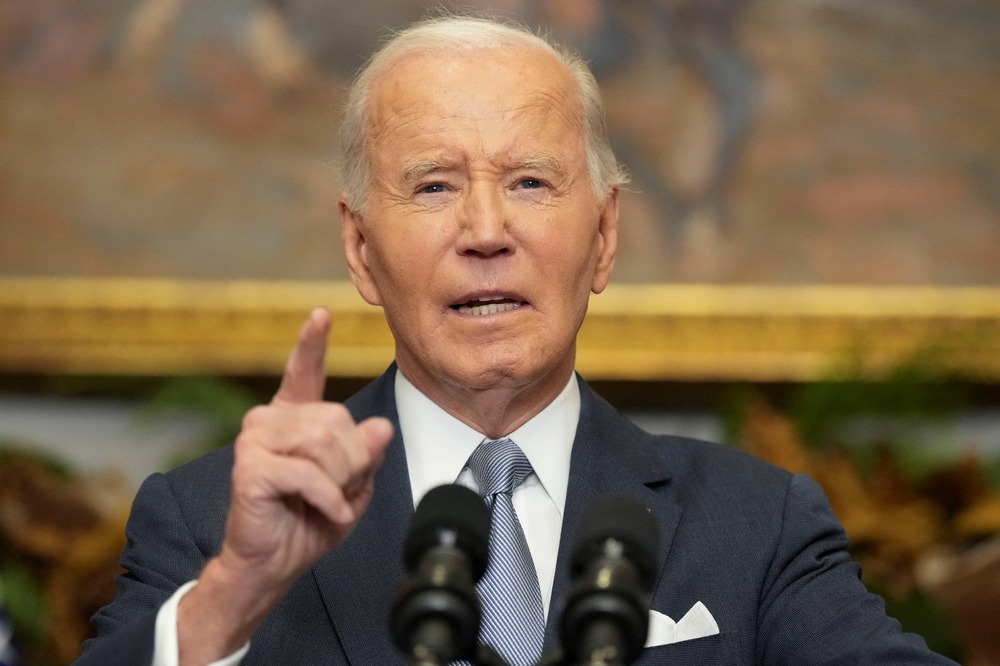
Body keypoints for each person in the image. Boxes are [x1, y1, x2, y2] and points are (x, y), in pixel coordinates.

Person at [76, 14, 956, 666]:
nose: (486, 230)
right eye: (433, 187)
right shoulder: (207, 525)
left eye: (531, 181)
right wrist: (230, 599)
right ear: (359, 249)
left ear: (604, 237)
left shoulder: (757, 524)